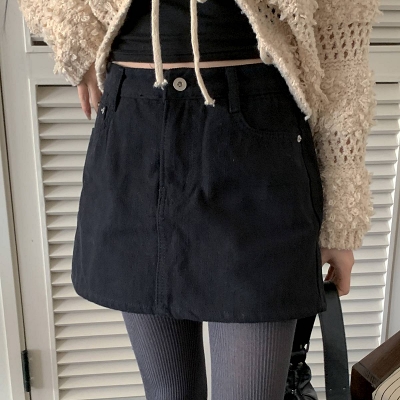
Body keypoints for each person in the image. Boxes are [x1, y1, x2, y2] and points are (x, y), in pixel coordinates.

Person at [16, 0, 382, 398]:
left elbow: (343, 59)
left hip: (258, 146)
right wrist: (75, 44)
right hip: (134, 136)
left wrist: (341, 219)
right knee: (169, 393)